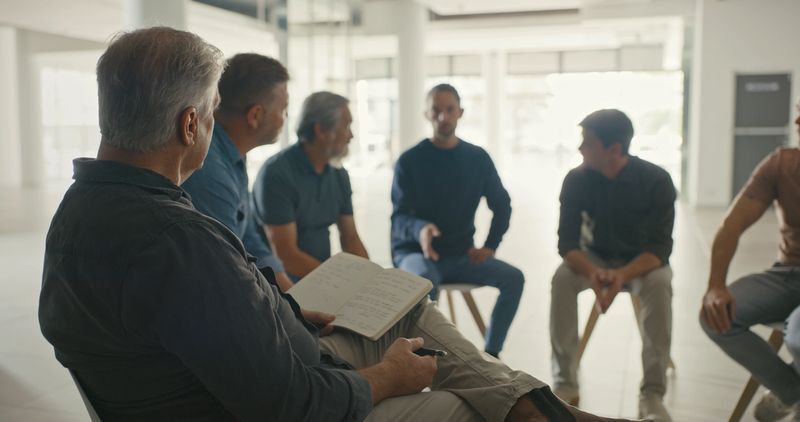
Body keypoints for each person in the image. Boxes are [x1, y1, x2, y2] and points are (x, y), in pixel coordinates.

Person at [38, 27, 639, 422]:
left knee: (406, 308)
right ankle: (539, 411)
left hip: (275, 350)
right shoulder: (178, 238)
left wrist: (290, 313)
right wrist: (387, 377)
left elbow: (216, 319)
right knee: (457, 402)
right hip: (296, 396)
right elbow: (292, 403)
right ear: (190, 125)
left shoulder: (74, 217)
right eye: (214, 112)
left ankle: (540, 407)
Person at [550, 109, 676, 422]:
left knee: (660, 284)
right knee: (562, 278)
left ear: (614, 150)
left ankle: (653, 393)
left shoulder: (656, 180)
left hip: (642, 262)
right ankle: (566, 382)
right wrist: (595, 273)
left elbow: (659, 250)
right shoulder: (576, 179)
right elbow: (567, 244)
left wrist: (620, 275)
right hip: (596, 258)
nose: (580, 148)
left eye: (588, 143)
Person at [390, 83, 524, 358]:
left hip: (462, 255)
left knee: (514, 278)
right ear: (426, 114)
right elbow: (400, 217)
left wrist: (490, 245)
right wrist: (422, 229)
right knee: (425, 281)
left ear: (460, 112)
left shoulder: (477, 159)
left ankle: (491, 355)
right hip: (416, 254)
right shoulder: (410, 161)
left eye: (449, 110)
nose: (443, 117)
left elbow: (502, 204)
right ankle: (430, 360)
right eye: (436, 110)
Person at [700, 108, 800, 421]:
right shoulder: (782, 164)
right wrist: (715, 286)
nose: (796, 122)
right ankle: (793, 393)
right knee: (716, 315)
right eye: (798, 113)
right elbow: (731, 223)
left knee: (797, 334)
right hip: (789, 274)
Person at [181, 53, 294, 291]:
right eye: (284, 110)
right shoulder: (209, 171)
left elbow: (251, 240)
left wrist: (292, 297)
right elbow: (228, 270)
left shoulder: (234, 156)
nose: (286, 118)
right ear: (255, 115)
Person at [252, 92, 368, 281]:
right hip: (281, 285)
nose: (351, 135)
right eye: (346, 126)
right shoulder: (276, 173)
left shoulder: (339, 174)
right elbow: (286, 255)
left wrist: (371, 279)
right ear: (321, 130)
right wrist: (340, 282)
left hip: (323, 278)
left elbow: (350, 238)